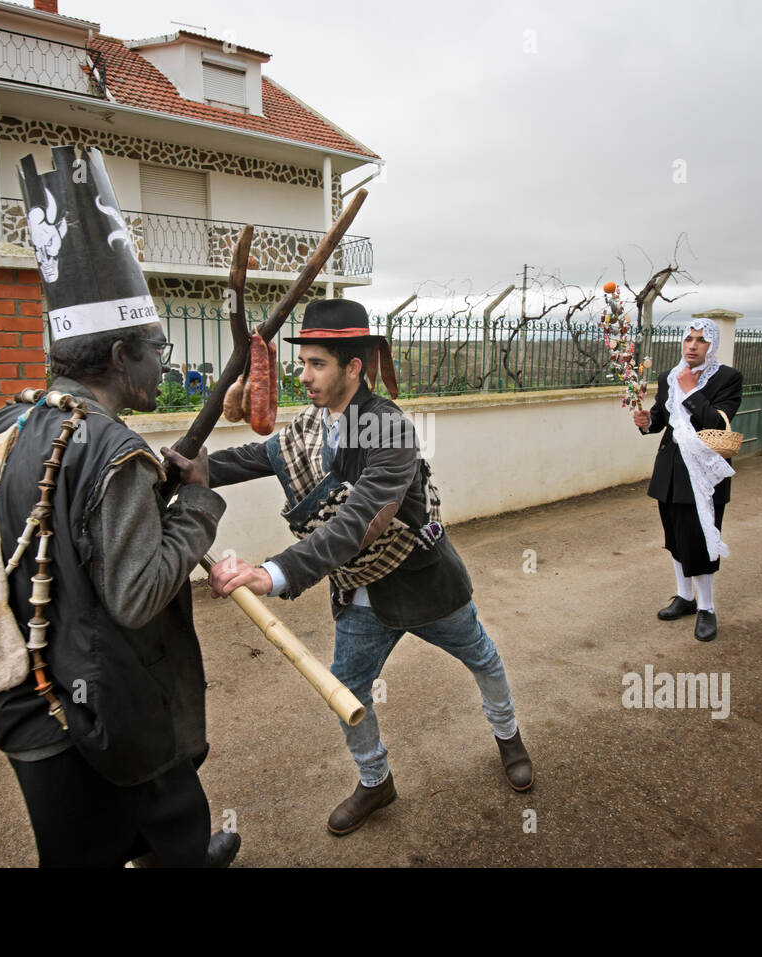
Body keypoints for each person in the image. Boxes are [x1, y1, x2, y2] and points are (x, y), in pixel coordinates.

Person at [0, 144, 239, 867]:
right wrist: (195, 503)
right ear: (116, 357)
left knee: (82, 843)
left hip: (24, 699)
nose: (163, 362)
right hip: (101, 707)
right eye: (154, 347)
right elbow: (135, 594)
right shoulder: (110, 450)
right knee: (164, 822)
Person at [206, 298, 534, 837]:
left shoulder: (389, 430)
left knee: (482, 656)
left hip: (424, 583)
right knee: (348, 690)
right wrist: (183, 467)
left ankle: (509, 737)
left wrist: (275, 572)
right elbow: (254, 458)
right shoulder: (311, 426)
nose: (304, 375)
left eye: (317, 364)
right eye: (303, 362)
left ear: (353, 367)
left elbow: (358, 522)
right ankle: (375, 780)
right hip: (361, 593)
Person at [632, 317, 743, 642]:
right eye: (689, 339)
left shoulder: (727, 378)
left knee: (699, 541)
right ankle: (685, 597)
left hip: (704, 474)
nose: (692, 345)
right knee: (676, 539)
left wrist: (691, 389)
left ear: (712, 345)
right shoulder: (669, 376)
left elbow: (717, 423)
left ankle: (706, 607)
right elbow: (662, 418)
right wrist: (645, 421)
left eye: (701, 340)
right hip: (671, 471)